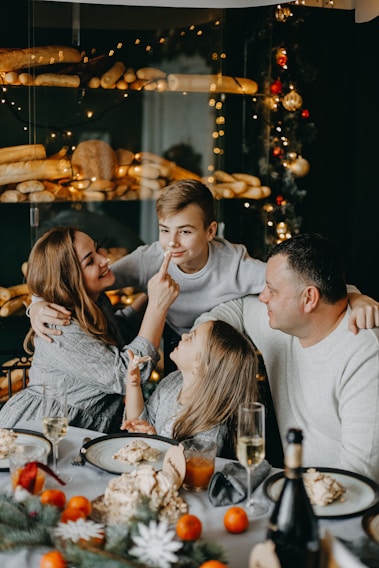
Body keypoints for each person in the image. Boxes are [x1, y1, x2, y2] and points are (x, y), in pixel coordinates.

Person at [28, 180, 379, 371]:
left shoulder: (235, 266)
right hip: (173, 352)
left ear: (210, 231)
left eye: (185, 232)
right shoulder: (151, 258)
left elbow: (300, 284)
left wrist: (353, 295)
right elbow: (75, 278)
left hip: (222, 357)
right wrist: (37, 302)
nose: (172, 243)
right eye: (165, 230)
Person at [194, 233, 379, 482]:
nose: (262, 297)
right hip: (298, 488)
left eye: (272, 290)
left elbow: (360, 473)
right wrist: (201, 351)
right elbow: (233, 309)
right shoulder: (281, 324)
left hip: (350, 506)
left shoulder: (366, 354)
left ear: (309, 298)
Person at [0, 226, 179, 433]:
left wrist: (153, 293)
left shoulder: (95, 302)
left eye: (97, 249)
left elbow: (119, 332)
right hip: (37, 430)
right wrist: (157, 306)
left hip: (77, 432)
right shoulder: (60, 328)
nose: (104, 259)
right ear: (68, 280)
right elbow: (125, 375)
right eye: (90, 261)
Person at [122, 319, 258, 459]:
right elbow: (139, 425)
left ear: (202, 365)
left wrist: (156, 444)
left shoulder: (211, 429)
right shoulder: (172, 381)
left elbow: (192, 472)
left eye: (191, 337)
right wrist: (133, 385)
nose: (183, 335)